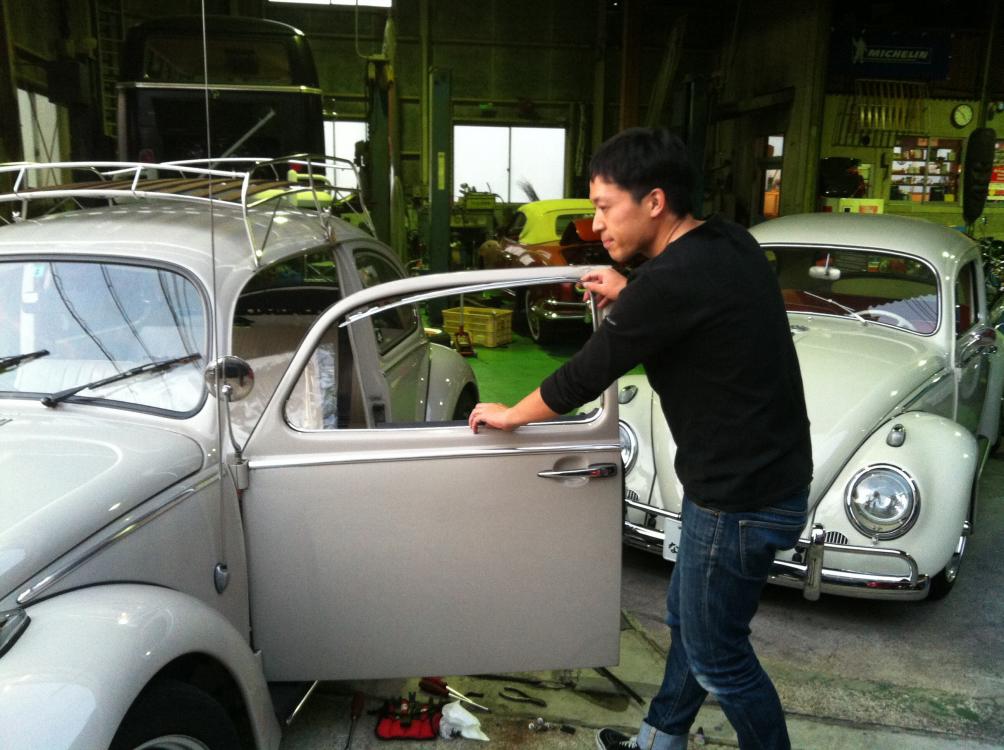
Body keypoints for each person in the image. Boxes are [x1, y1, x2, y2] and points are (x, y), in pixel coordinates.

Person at [467, 127, 812, 750]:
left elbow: (586, 373)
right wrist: (632, 293)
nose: (596, 224)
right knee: (694, 627)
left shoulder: (669, 282)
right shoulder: (729, 243)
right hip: (767, 479)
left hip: (737, 498)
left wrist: (513, 414)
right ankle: (659, 740)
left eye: (604, 207)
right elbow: (697, 307)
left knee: (719, 657)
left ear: (654, 201)